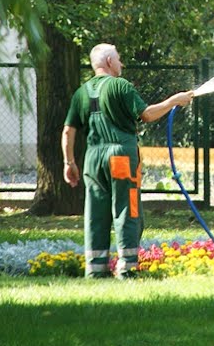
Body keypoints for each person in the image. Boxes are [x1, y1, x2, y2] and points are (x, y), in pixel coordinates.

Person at [62, 43, 194, 279]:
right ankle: (127, 267)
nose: (121, 64)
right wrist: (174, 100)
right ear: (110, 62)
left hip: (92, 160)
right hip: (121, 157)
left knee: (95, 213)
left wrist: (69, 162)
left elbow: (68, 131)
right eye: (119, 59)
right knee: (127, 209)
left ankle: (96, 270)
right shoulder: (121, 86)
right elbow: (147, 115)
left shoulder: (81, 92)